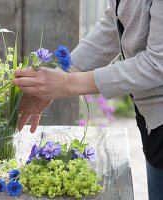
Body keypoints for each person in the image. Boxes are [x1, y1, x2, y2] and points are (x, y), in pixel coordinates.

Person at [12, 0, 163, 199]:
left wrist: (65, 84)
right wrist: (51, 86)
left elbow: (156, 64)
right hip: (154, 124)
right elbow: (114, 24)